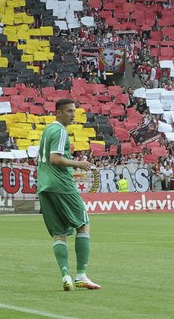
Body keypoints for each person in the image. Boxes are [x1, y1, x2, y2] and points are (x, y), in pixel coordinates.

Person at [38, 99, 101, 291]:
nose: (73, 114)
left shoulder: (48, 130)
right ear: (58, 113)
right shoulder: (60, 131)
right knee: (83, 225)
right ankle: (81, 275)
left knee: (59, 234)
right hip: (61, 185)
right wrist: (78, 164)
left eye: (74, 111)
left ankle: (66, 275)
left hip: (44, 185)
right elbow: (55, 158)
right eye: (69, 111)